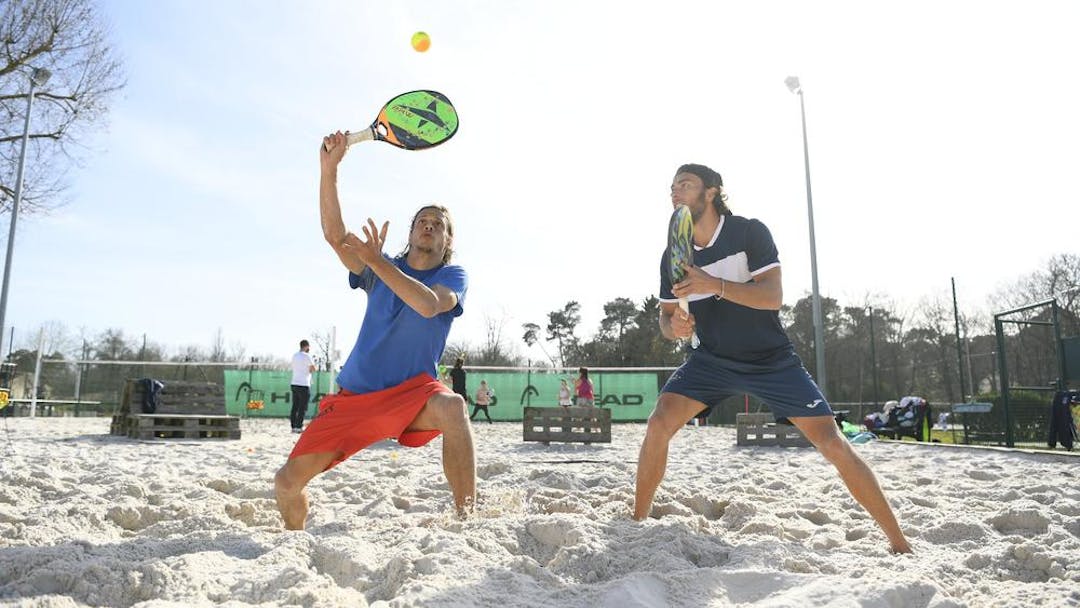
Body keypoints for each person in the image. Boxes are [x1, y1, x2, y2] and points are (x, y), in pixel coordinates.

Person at [633, 163, 911, 554]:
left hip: (770, 360)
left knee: (831, 442)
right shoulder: (673, 255)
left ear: (711, 192)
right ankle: (637, 522)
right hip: (710, 360)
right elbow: (665, 316)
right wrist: (673, 327)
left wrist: (713, 285)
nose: (675, 192)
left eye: (685, 184)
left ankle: (899, 542)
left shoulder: (748, 232)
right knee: (659, 422)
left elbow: (772, 297)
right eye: (672, 186)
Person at [274, 130, 475, 530]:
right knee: (285, 484)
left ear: (448, 240)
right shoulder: (380, 265)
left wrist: (378, 261)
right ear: (412, 230)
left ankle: (467, 518)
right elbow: (334, 235)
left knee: (453, 407)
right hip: (356, 397)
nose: (429, 226)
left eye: (438, 224)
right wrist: (328, 169)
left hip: (413, 394)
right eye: (422, 221)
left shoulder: (452, 274)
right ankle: (293, 536)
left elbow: (427, 305)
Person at [289, 340, 317, 433]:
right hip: (303, 384)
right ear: (307, 346)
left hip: (294, 382)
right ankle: (298, 426)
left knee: (295, 406)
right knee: (302, 407)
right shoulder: (307, 356)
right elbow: (313, 369)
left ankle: (293, 426)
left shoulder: (294, 356)